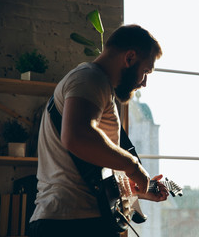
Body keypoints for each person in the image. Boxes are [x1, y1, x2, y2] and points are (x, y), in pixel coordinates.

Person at [29, 24, 168, 237]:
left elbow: (92, 170)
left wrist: (139, 189)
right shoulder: (89, 78)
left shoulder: (97, 85)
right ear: (130, 58)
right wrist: (133, 166)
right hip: (71, 223)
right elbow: (77, 136)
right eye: (145, 71)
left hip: (77, 220)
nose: (144, 82)